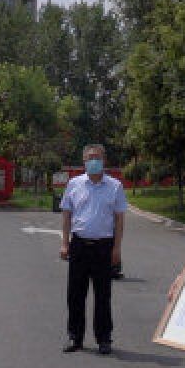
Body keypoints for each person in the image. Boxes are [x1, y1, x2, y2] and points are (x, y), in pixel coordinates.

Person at [60, 143, 127, 355]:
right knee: (75, 295)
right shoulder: (74, 184)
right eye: (89, 158)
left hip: (103, 247)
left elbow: (119, 218)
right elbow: (66, 214)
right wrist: (64, 243)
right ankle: (75, 337)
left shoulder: (115, 186)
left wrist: (117, 248)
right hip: (79, 244)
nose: (93, 161)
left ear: (104, 160)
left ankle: (104, 338)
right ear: (84, 162)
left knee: (102, 296)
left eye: (97, 157)